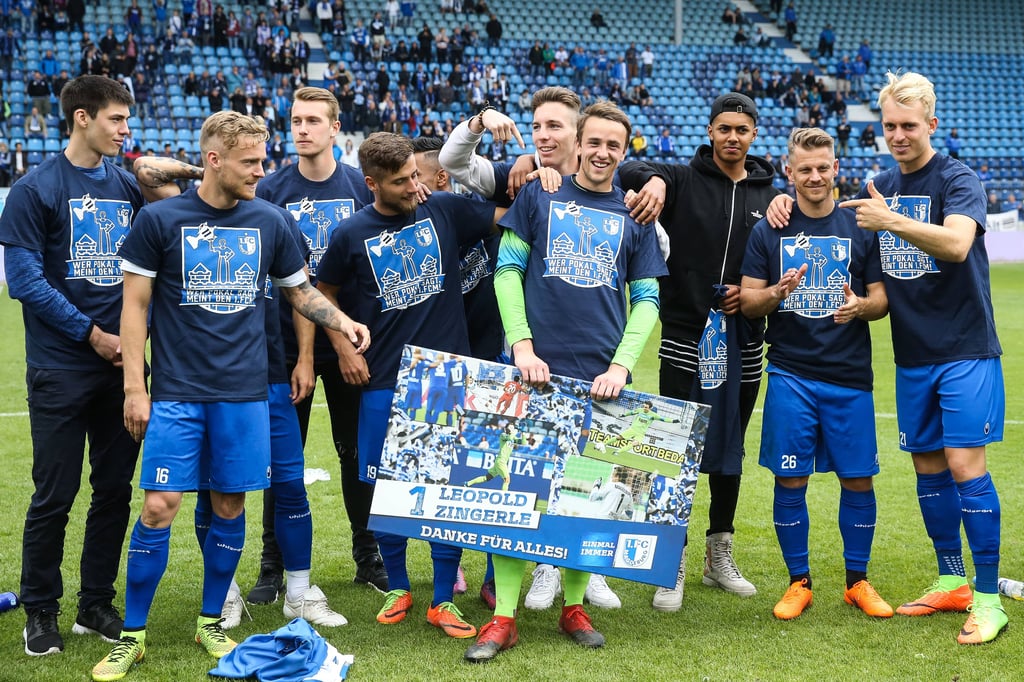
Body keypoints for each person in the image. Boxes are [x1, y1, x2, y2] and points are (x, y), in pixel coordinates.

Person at [90, 111, 370, 681]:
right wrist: (134, 387)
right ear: (213, 160)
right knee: (159, 507)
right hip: (177, 394)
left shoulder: (269, 220)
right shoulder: (161, 220)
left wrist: (340, 322)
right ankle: (133, 636)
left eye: (262, 161)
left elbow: (300, 293)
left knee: (230, 506)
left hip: (245, 396)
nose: (260, 172)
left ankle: (210, 622)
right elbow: (134, 308)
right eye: (250, 162)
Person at [768, 70, 1008, 646]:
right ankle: (951, 578)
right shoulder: (877, 184)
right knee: (927, 468)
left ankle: (989, 596)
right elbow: (822, 206)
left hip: (965, 349)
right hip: (912, 356)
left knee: (964, 467)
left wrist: (893, 219)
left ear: (932, 124)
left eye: (909, 125)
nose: (898, 135)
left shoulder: (957, 178)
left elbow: (955, 244)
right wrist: (779, 200)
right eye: (890, 125)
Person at [463, 100, 667, 663]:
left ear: (624, 154)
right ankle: (504, 616)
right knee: (513, 497)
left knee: (585, 500)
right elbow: (506, 271)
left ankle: (574, 606)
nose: (603, 153)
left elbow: (647, 301)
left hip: (599, 384)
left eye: (614, 146)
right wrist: (522, 345)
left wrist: (621, 366)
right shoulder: (537, 195)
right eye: (594, 142)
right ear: (577, 142)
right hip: (531, 374)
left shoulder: (635, 216)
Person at [438, 87, 626, 612]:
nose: (543, 136)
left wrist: (653, 186)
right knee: (526, 467)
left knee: (586, 470)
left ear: (580, 134)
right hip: (523, 347)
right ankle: (537, 567)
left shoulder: (618, 188)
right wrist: (481, 120)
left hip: (592, 350)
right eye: (536, 127)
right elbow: (454, 161)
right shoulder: (522, 181)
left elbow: (647, 247)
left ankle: (582, 572)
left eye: (554, 128)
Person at [315, 132, 502, 642]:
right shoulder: (350, 233)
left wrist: (532, 165)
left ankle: (443, 598)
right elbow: (321, 292)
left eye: (415, 176)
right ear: (372, 183)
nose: (413, 187)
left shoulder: (442, 209)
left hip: (445, 378)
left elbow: (507, 211)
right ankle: (399, 587)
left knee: (448, 491)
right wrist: (344, 347)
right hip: (382, 379)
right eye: (401, 182)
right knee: (385, 491)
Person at [618, 93, 780, 612]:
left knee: (729, 446)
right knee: (675, 449)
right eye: (724, 128)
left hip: (745, 336)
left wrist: (753, 297)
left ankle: (720, 554)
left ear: (754, 134)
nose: (733, 138)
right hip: (686, 332)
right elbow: (627, 168)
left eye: (743, 130)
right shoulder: (682, 178)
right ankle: (673, 560)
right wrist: (659, 181)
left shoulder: (769, 193)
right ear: (710, 131)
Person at [0, 75, 144, 658]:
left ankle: (95, 603)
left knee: (113, 491)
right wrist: (93, 335)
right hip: (61, 367)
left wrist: (126, 344)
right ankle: (40, 610)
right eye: (116, 120)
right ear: (82, 118)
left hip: (121, 368)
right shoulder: (34, 189)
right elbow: (25, 281)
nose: (125, 130)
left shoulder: (128, 186)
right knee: (53, 495)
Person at [739, 127, 891, 622]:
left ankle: (857, 581)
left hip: (849, 376)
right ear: (790, 172)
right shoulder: (769, 230)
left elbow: (881, 300)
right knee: (791, 479)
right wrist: (778, 293)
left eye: (823, 167)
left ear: (836, 168)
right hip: (791, 373)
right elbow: (748, 300)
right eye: (804, 169)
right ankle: (798, 582)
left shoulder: (859, 227)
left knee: (859, 480)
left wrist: (861, 307)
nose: (815, 176)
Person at [252, 87, 385, 601]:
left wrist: (349, 343)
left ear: (336, 129)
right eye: (295, 120)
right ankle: (272, 563)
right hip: (288, 348)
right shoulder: (271, 191)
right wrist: (303, 356)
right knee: (282, 459)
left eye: (313, 120)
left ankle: (368, 555)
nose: (302, 129)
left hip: (355, 344)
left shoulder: (360, 186)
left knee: (358, 455)